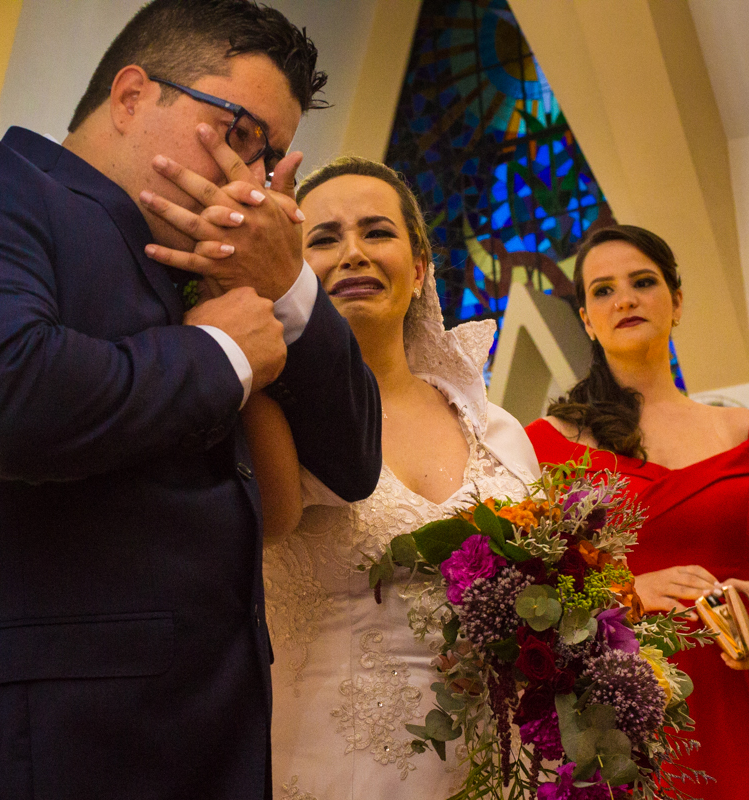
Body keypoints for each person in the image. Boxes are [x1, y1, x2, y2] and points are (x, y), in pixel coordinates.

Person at [0, 1, 382, 798]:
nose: (251, 180)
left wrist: (287, 283)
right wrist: (223, 352)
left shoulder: (214, 266)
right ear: (132, 95)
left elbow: (353, 462)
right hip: (24, 749)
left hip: (208, 741)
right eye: (237, 132)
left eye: (269, 161)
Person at [253, 157, 541, 797]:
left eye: (376, 232)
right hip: (333, 761)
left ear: (419, 270)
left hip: (503, 762)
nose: (352, 253)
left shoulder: (495, 432)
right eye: (324, 239)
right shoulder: (268, 416)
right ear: (292, 272)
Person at [524, 224, 749, 799]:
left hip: (741, 697)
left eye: (643, 282)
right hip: (622, 712)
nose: (626, 299)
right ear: (587, 319)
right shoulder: (546, 444)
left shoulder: (748, 435)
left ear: (678, 301)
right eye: (603, 291)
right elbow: (530, 601)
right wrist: (627, 592)